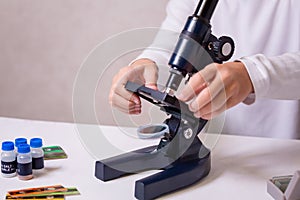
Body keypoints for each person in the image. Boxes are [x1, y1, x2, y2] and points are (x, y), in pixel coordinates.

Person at [109, 0, 300, 139]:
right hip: (224, 150)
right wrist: (144, 62)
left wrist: (251, 74)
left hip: (287, 152)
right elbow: (172, 39)